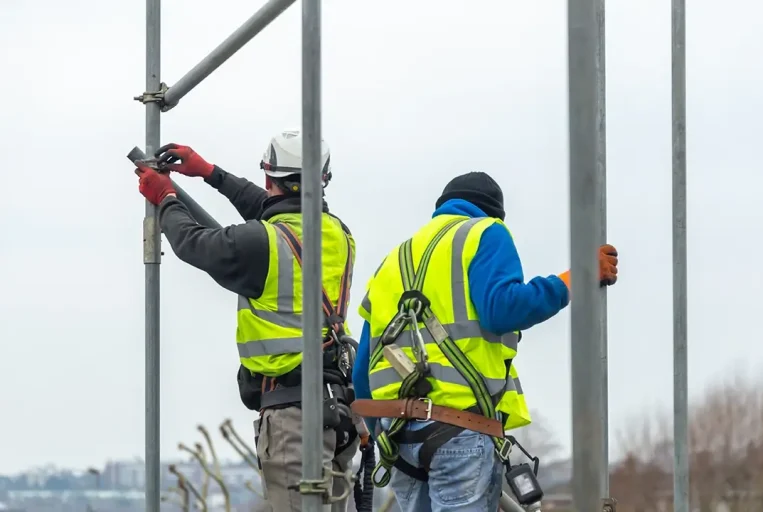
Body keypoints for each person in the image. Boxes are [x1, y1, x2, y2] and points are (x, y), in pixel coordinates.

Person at [350, 171, 619, 512]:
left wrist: (384, 433)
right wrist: (578, 276)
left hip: (397, 438)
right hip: (459, 430)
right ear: (494, 213)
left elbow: (362, 372)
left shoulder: (392, 260)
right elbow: (503, 309)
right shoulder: (486, 232)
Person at [133, 130, 362, 512]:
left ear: (269, 178)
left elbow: (194, 243)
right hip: (337, 410)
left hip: (294, 417)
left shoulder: (263, 243)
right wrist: (210, 172)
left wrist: (166, 198)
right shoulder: (337, 232)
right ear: (322, 181)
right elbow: (272, 208)